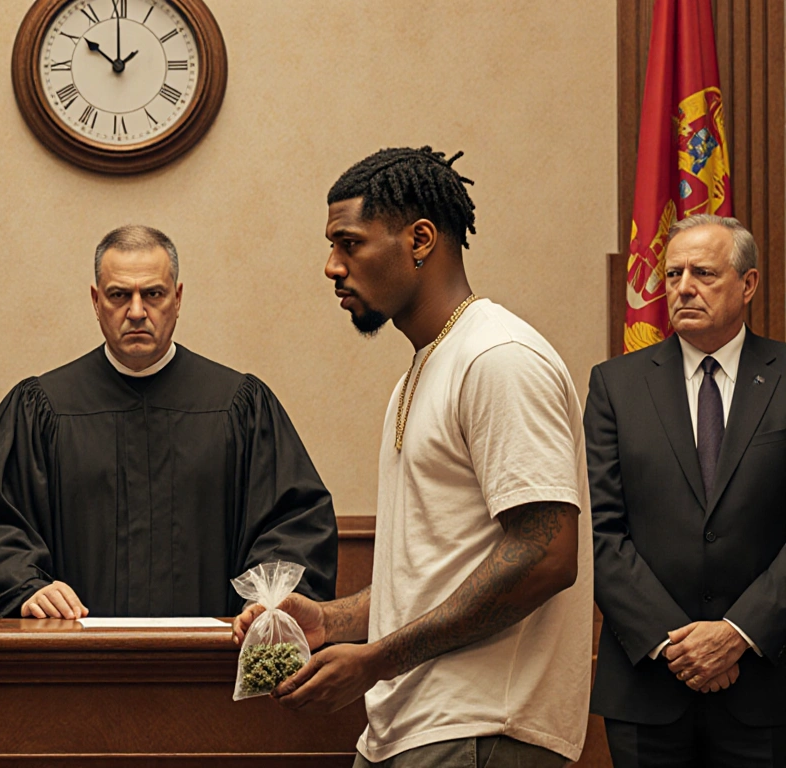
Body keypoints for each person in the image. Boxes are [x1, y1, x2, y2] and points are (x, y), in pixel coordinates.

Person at [235, 147, 593, 766]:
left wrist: (376, 659)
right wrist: (328, 620)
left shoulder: (498, 358)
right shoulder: (423, 371)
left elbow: (547, 556)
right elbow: (435, 576)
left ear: (420, 239)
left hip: (481, 729)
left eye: (349, 243)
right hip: (413, 729)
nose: (331, 267)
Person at [0, 225, 338, 619]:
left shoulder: (240, 407)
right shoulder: (42, 409)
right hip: (72, 667)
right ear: (96, 301)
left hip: (209, 666)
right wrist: (27, 588)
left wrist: (268, 600)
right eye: (118, 295)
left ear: (177, 298)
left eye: (153, 294)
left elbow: (293, 524)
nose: (136, 312)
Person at [586, 214, 786, 767]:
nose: (683, 288)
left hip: (766, 680)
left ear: (747, 284)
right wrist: (679, 645)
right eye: (673, 275)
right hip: (647, 682)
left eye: (703, 273)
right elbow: (601, 531)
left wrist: (739, 632)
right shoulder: (615, 385)